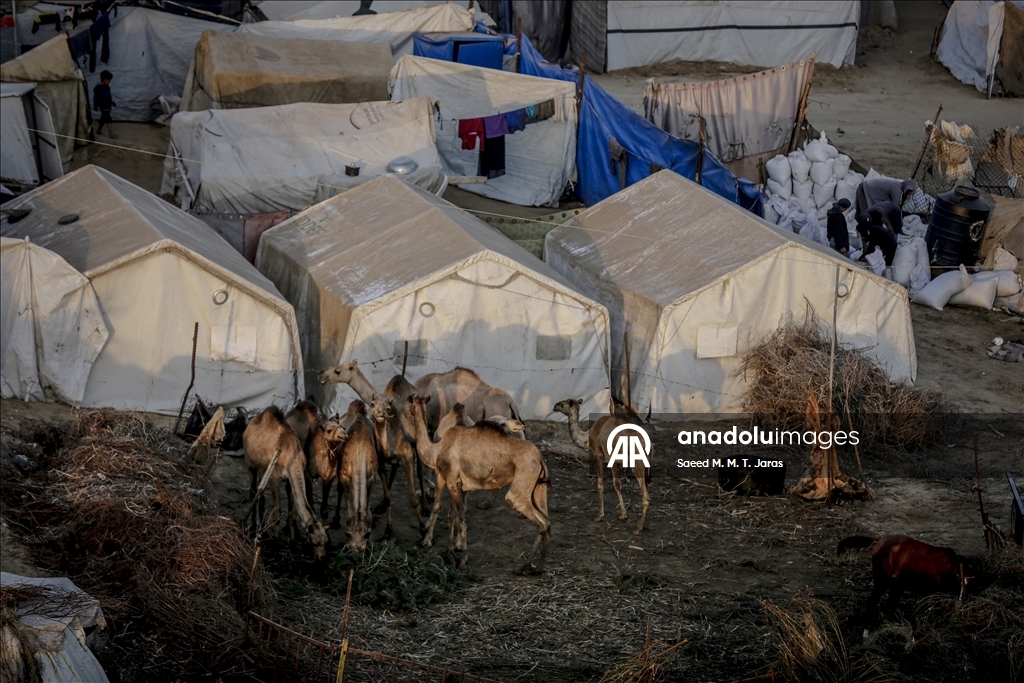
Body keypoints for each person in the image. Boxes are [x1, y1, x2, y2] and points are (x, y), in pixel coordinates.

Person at [92, 70, 116, 139]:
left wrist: (112, 102)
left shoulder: (107, 87)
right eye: (108, 80)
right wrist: (96, 105)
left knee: (103, 118)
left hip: (108, 105)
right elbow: (96, 97)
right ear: (104, 79)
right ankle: (111, 133)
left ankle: (99, 130)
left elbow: (109, 96)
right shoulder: (98, 88)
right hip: (103, 105)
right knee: (108, 118)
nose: (109, 81)